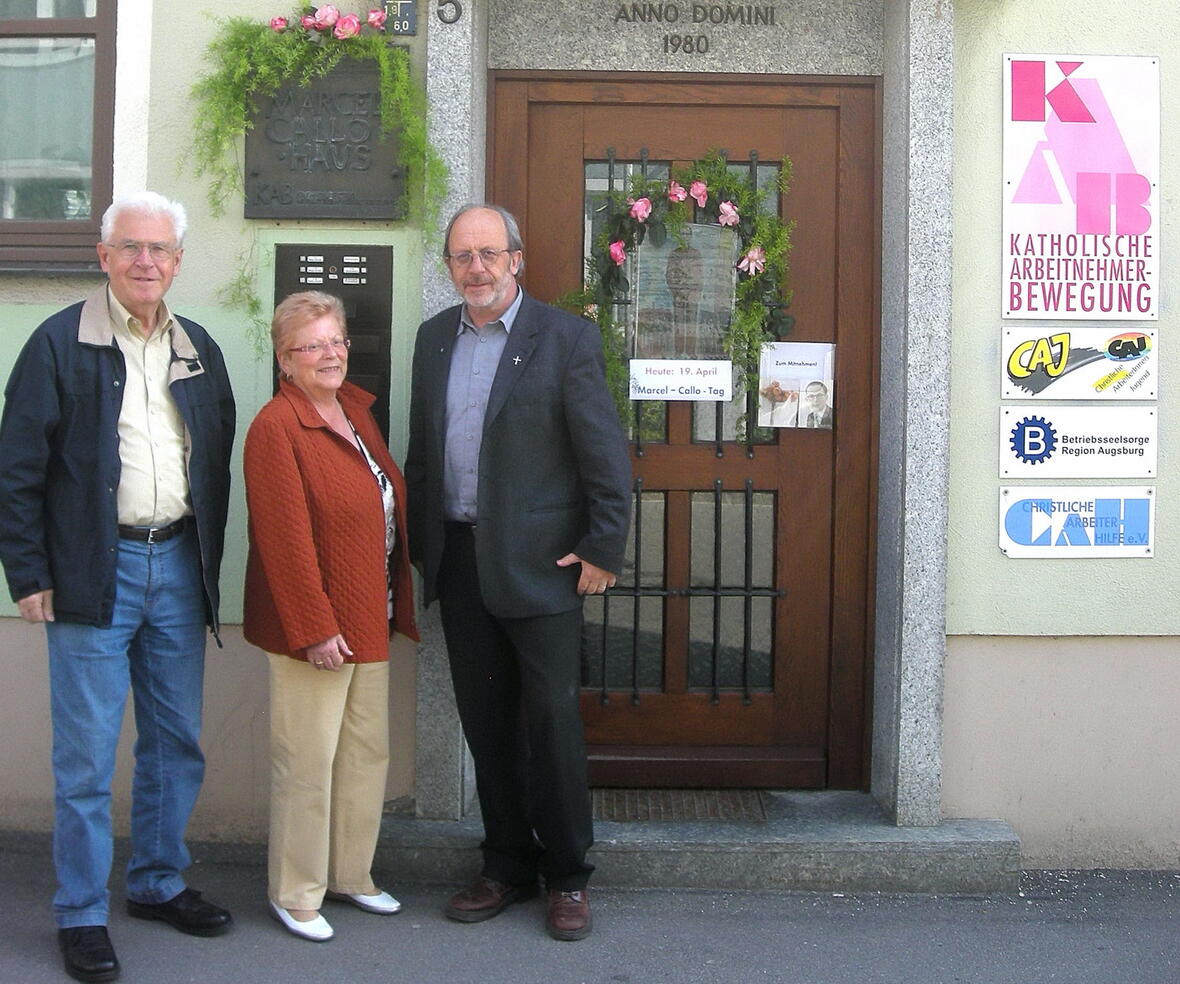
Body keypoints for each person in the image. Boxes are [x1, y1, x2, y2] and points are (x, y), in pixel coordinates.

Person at [0, 192, 236, 983]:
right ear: (102, 256)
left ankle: (158, 882)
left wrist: (208, 568)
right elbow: (18, 470)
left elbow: (214, 459)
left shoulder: (196, 344)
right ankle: (80, 913)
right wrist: (28, 573)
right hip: (88, 573)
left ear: (176, 261)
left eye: (160, 249)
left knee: (175, 742)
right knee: (86, 759)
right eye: (130, 247)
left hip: (175, 565)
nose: (145, 261)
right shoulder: (57, 343)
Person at [405, 204, 633, 942]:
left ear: (517, 258)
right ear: (450, 267)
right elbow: (422, 451)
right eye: (463, 256)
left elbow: (603, 454)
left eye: (489, 254)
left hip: (543, 568)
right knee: (486, 723)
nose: (476, 267)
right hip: (461, 561)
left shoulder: (564, 337)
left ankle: (567, 875)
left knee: (553, 722)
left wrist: (603, 548)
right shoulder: (433, 339)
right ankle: (504, 863)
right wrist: (420, 551)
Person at [243, 291, 418, 943]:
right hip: (314, 628)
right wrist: (314, 627)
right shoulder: (276, 426)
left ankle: (350, 874)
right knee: (308, 759)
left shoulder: (354, 410)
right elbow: (284, 541)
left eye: (336, 341)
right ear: (285, 359)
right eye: (311, 345)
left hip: (372, 610)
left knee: (365, 753)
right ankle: (296, 891)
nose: (329, 354)